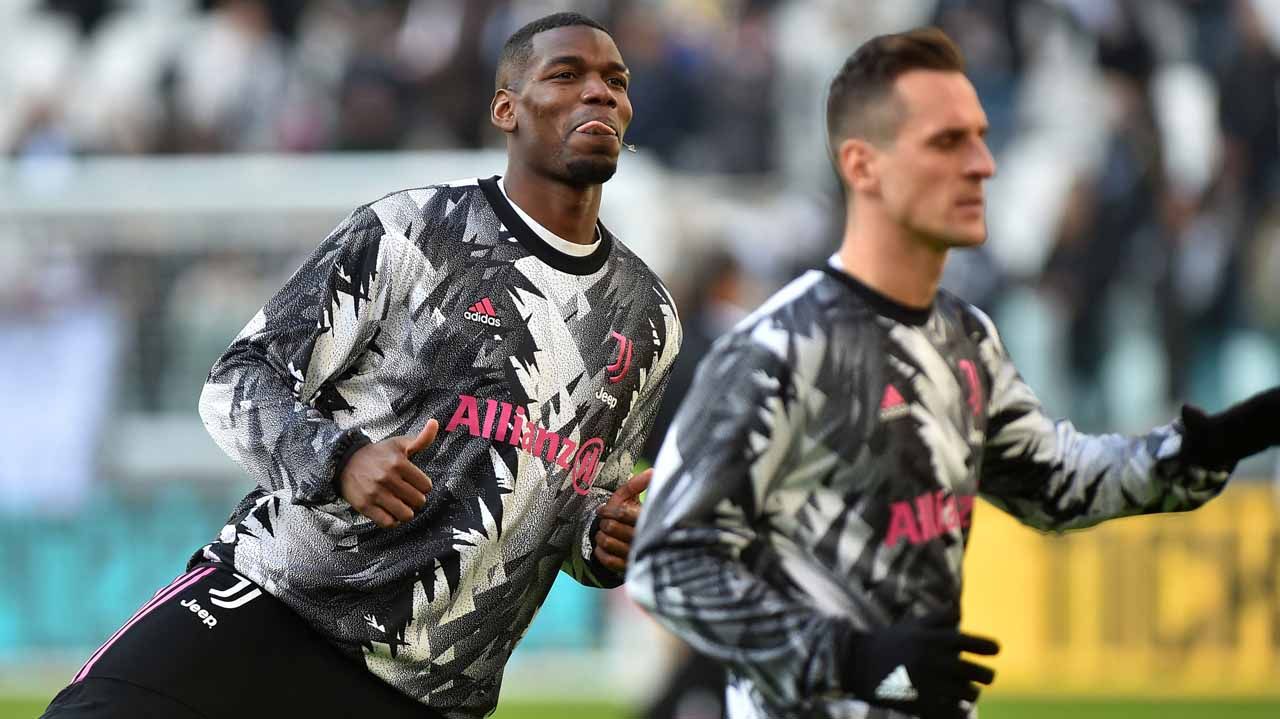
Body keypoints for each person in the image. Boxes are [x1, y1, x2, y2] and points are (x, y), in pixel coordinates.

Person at [626, 27, 1280, 719]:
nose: (983, 165)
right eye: (947, 142)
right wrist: (849, 654)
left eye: (980, 136)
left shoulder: (966, 337)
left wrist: (1204, 447)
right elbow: (666, 562)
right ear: (862, 165)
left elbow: (1055, 483)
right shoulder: (778, 350)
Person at [43, 12, 680, 719]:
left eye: (615, 82)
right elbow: (236, 382)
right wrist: (340, 460)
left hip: (429, 691)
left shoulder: (648, 319)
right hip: (273, 606)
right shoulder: (414, 232)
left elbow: (578, 501)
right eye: (567, 75)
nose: (600, 93)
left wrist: (600, 539)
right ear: (506, 108)